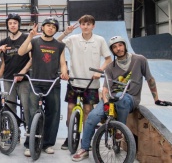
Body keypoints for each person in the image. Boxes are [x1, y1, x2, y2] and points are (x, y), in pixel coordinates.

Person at [72, 36, 172, 161]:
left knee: (121, 98)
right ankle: (84, 148)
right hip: (111, 98)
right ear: (112, 50)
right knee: (92, 117)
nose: (118, 49)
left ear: (125, 45)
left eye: (120, 45)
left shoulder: (139, 60)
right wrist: (107, 103)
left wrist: (156, 99)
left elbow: (150, 79)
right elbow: (105, 89)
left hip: (130, 98)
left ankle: (120, 130)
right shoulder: (110, 67)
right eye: (114, 47)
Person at [56, 14, 112, 150]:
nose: (85, 26)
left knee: (88, 109)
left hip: (91, 83)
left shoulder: (99, 40)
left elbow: (108, 59)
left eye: (88, 24)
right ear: (80, 26)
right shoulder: (73, 39)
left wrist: (100, 70)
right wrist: (66, 32)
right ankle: (70, 137)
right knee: (70, 108)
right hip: (74, 81)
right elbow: (56, 44)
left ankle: (85, 139)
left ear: (93, 26)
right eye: (83, 24)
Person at [18, 18, 69, 156]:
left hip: (53, 84)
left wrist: (64, 72)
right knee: (32, 113)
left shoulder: (59, 45)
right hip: (36, 83)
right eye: (48, 26)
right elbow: (21, 52)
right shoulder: (35, 42)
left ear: (55, 29)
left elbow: (63, 63)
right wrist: (29, 36)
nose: (50, 28)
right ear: (43, 27)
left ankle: (48, 143)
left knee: (54, 113)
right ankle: (30, 143)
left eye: (53, 26)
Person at [0, 13, 32, 146]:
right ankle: (15, 135)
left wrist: (22, 72)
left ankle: (30, 135)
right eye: (10, 23)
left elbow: (32, 58)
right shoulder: (4, 42)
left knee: (27, 108)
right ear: (7, 25)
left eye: (15, 23)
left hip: (24, 79)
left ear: (19, 24)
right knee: (10, 108)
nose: (12, 25)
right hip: (9, 79)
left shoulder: (26, 38)